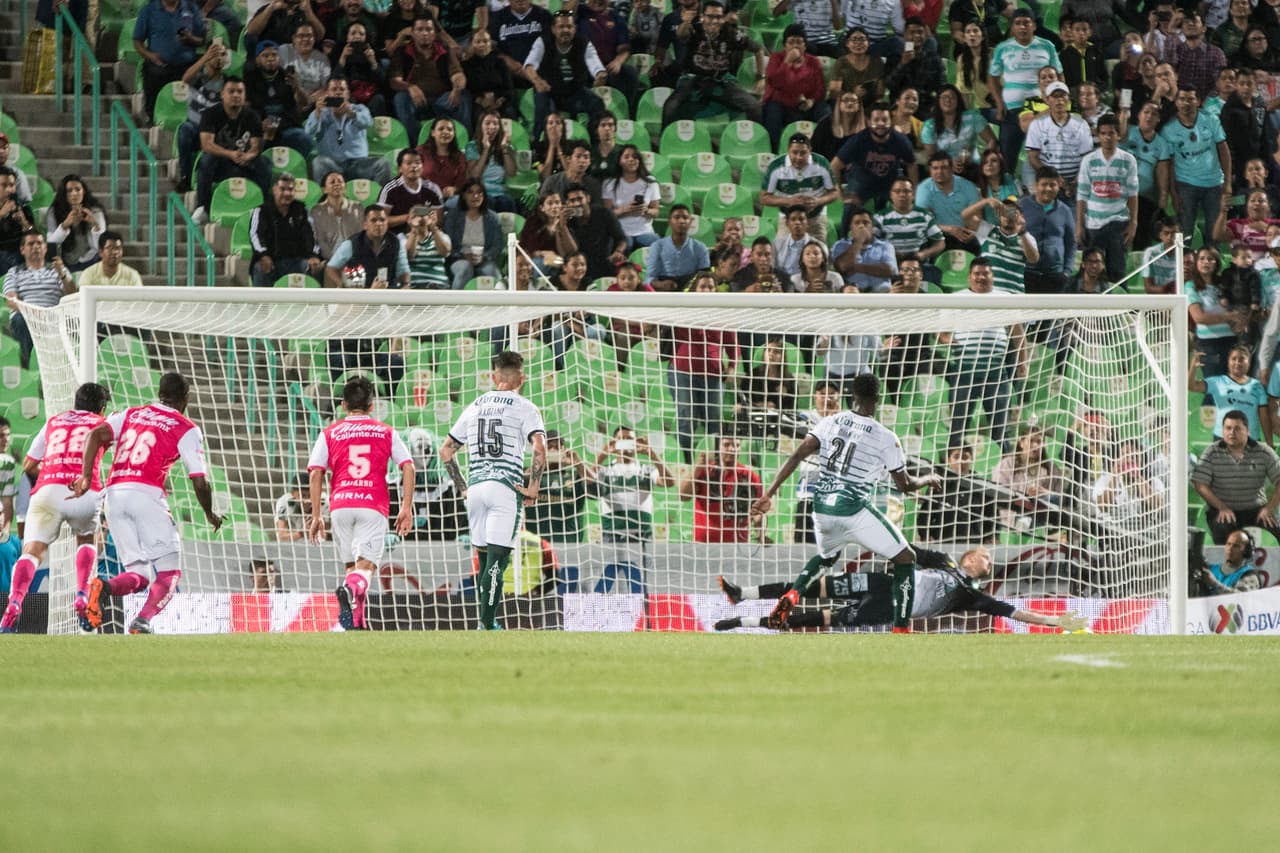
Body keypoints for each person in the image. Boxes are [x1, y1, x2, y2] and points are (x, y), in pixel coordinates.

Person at [747, 373, 942, 631]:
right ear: (878, 398)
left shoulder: (830, 422)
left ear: (853, 396)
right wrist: (927, 478)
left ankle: (791, 595)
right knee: (906, 558)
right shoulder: (886, 437)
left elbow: (797, 455)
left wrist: (768, 494)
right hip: (853, 510)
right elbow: (904, 485)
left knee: (827, 557)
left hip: (821, 509)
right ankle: (902, 627)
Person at [76, 373, 222, 635]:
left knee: (140, 574)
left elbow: (95, 434)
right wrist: (210, 513)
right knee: (170, 572)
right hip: (146, 493)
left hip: (114, 495)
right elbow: (199, 481)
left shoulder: (132, 413)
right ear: (185, 398)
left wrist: (86, 475)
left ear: (160, 393)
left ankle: (103, 586)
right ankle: (142, 621)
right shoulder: (186, 427)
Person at [714, 546, 1087, 632]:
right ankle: (741, 592)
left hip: (891, 609)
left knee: (825, 617)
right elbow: (904, 549)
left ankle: (744, 621)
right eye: (986, 557)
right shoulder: (943, 561)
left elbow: (1010, 610)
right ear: (969, 556)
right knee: (818, 586)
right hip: (885, 583)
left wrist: (1054, 620)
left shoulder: (971, 595)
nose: (989, 563)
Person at [439, 350, 547, 630]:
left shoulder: (474, 405)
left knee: (485, 558)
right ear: (521, 378)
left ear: (493, 376)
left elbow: (446, 450)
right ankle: (487, 624)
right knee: (498, 559)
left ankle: (487, 622)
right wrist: (533, 487)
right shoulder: (526, 407)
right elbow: (539, 448)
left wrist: (463, 488)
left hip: (475, 488)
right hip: (505, 487)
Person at [0, 383, 112, 634]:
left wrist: (54, 474)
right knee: (85, 538)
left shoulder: (54, 421)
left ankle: (15, 602)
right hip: (84, 490)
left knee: (32, 551)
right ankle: (82, 593)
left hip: (48, 490)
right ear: (102, 408)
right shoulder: (103, 424)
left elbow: (29, 464)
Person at [306, 376, 415, 631]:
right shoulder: (386, 431)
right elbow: (408, 467)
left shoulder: (329, 433)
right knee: (365, 568)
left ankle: (357, 622)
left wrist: (316, 515)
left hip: (340, 505)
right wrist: (406, 507)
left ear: (343, 405)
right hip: (372, 505)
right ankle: (349, 592)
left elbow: (315, 473)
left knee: (352, 568)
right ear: (371, 405)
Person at [939, 257, 1027, 454]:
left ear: (992, 276)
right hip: (964, 371)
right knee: (958, 427)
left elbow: (1018, 333)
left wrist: (1023, 362)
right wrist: (947, 340)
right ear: (969, 277)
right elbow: (941, 332)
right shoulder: (955, 299)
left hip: (996, 373)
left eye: (985, 273)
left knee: (1001, 429)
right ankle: (951, 474)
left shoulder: (1004, 298)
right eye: (977, 273)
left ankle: (1005, 473)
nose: (981, 277)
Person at [324, 205, 409, 385]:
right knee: (340, 359)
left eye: (382, 220)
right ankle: (338, 402)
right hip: (344, 349)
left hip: (370, 351)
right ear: (365, 224)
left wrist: (393, 352)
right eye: (374, 220)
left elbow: (393, 330)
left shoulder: (395, 244)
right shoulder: (340, 294)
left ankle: (392, 404)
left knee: (395, 362)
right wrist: (365, 293)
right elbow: (343, 317)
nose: (379, 224)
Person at [590, 426, 676, 582]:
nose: (625, 442)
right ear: (614, 443)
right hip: (612, 536)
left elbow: (670, 482)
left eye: (629, 439)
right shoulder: (604, 470)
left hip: (642, 536)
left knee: (644, 583)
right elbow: (587, 484)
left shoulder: (646, 469)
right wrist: (601, 456)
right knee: (609, 584)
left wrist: (652, 454)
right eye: (620, 439)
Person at [660, 0, 764, 127]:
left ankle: (755, 143)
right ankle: (665, 140)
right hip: (693, 78)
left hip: (721, 80)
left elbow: (758, 49)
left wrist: (760, 77)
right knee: (671, 106)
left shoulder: (730, 32)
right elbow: (681, 34)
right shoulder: (694, 28)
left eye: (719, 17)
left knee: (754, 106)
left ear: (723, 18)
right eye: (710, 16)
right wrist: (686, 22)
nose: (714, 21)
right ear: (702, 16)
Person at [990, 8, 1062, 174]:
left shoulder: (1047, 46)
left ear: (1034, 26)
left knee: (1043, 155)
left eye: (1026, 23)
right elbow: (992, 78)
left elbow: (1059, 75)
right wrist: (999, 103)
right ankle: (1007, 193)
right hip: (1011, 109)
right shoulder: (1002, 48)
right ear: (1012, 27)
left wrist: (1057, 100)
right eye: (1018, 23)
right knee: (1007, 156)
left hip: (1041, 109)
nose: (1022, 27)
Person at [193, 77, 272, 226]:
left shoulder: (252, 116)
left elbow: (257, 146)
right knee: (206, 159)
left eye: (240, 91)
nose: (236, 95)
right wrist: (230, 154)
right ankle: (203, 207)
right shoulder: (210, 114)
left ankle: (264, 208)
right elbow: (206, 144)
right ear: (222, 94)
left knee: (265, 162)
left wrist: (249, 155)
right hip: (220, 164)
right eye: (231, 91)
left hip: (242, 162)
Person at [1193, 409, 1280, 543]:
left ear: (1247, 431)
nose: (1231, 433)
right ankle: (1225, 563)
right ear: (1222, 431)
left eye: (1237, 428)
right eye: (1228, 428)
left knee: (1276, 528)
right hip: (1222, 510)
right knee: (1223, 530)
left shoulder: (1264, 451)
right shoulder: (1211, 452)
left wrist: (1270, 508)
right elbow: (1200, 483)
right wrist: (1221, 507)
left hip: (1256, 510)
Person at [1160, 84, 1231, 245]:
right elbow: (1169, 165)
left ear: (1198, 101)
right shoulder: (1168, 130)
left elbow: (1224, 151)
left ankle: (1212, 266)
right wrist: (1173, 193)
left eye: (1191, 99)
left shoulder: (1211, 120)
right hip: (1186, 184)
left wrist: (1227, 184)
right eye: (1182, 99)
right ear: (1176, 102)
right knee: (1185, 233)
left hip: (1214, 183)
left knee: (1214, 233)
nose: (1186, 103)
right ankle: (1184, 267)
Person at [524, 11, 607, 142]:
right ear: (553, 29)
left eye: (569, 27)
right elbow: (529, 66)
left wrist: (600, 74)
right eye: (561, 27)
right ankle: (538, 144)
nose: (565, 30)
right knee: (543, 106)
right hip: (549, 91)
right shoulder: (542, 42)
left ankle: (594, 142)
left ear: (575, 29)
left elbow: (595, 63)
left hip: (575, 92)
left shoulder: (583, 43)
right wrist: (537, 81)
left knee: (597, 103)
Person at [389, 16, 471, 147]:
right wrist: (410, 87)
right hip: (417, 102)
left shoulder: (444, 49)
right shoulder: (402, 51)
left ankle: (467, 147)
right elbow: (394, 81)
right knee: (400, 99)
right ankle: (417, 146)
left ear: (434, 34)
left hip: (441, 101)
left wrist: (457, 88)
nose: (425, 33)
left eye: (429, 29)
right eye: (420, 29)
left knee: (463, 96)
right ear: (413, 33)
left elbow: (457, 74)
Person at [4, 231, 76, 370]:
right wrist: (34, 313)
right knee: (19, 320)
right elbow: (12, 301)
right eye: (31, 244)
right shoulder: (14, 272)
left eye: (39, 243)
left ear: (45, 248)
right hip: (27, 317)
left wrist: (62, 274)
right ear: (22, 249)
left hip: (54, 316)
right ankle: (27, 367)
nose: (36, 246)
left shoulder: (58, 269)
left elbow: (72, 295)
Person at [305, 77, 392, 186]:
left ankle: (381, 201)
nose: (338, 93)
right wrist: (318, 113)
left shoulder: (359, 109)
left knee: (383, 164)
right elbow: (308, 133)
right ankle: (325, 201)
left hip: (359, 164)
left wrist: (350, 113)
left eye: (342, 89)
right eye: (334, 89)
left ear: (348, 94)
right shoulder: (319, 113)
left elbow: (368, 122)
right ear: (327, 94)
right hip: (333, 165)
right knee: (318, 162)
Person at [831, 102, 917, 212]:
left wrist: (914, 192)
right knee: (850, 208)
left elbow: (912, 165)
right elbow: (834, 166)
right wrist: (842, 196)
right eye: (876, 120)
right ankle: (846, 229)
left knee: (906, 204)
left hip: (890, 180)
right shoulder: (858, 140)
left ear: (891, 122)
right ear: (868, 122)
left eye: (885, 120)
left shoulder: (901, 140)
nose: (880, 123)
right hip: (861, 179)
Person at [679, 434, 762, 543]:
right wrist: (696, 469)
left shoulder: (750, 476)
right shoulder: (705, 471)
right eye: (726, 445)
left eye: (736, 445)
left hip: (737, 546)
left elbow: (758, 511)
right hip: (703, 545)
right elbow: (683, 496)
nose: (732, 449)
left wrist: (760, 530)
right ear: (718, 447)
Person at [759, 133, 839, 242]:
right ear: (788, 150)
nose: (798, 157)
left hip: (815, 217)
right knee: (782, 252)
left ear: (810, 150)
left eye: (803, 153)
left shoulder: (821, 164)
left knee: (818, 253)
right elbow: (764, 197)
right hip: (788, 218)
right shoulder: (776, 166)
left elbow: (834, 193)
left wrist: (818, 201)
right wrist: (789, 201)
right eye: (795, 152)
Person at [133, 0, 207, 118]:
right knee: (152, 72)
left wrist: (191, 38)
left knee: (200, 73)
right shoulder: (149, 10)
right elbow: (137, 41)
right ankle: (153, 116)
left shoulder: (191, 8)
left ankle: (196, 118)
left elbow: (203, 40)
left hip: (187, 66)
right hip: (159, 65)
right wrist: (150, 55)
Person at [917, 442, 1002, 545]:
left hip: (974, 545)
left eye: (965, 457)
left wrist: (991, 537)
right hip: (942, 543)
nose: (961, 461)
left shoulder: (982, 487)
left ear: (972, 459)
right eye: (956, 457)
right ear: (949, 460)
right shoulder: (939, 484)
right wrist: (925, 535)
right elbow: (924, 515)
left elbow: (993, 518)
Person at [250, 174, 324, 288]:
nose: (287, 193)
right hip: (271, 261)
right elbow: (255, 235)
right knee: (261, 267)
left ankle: (315, 304)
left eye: (290, 189)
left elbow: (312, 235)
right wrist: (263, 255)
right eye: (282, 189)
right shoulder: (261, 210)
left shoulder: (302, 209)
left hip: (297, 262)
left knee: (315, 267)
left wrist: (313, 256)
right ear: (274, 189)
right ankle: (262, 304)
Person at [762, 25, 828, 150]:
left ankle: (822, 150)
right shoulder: (776, 58)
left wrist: (812, 100)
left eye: (799, 42)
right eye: (791, 42)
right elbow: (775, 81)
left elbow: (820, 89)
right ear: (785, 45)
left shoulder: (813, 61)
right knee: (772, 110)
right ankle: (774, 150)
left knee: (824, 111)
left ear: (805, 45)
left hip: (805, 105)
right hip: (782, 105)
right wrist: (787, 61)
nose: (795, 46)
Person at [244, 40, 312, 159]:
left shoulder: (287, 77)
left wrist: (297, 87)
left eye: (274, 55)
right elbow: (245, 109)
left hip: (285, 128)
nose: (270, 59)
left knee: (303, 138)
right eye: (265, 56)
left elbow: (305, 103)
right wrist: (259, 125)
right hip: (261, 129)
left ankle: (296, 169)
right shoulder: (250, 78)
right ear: (257, 60)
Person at [1024, 81, 1094, 195]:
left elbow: (1086, 158)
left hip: (1075, 181)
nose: (1059, 100)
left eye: (1063, 95)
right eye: (1055, 96)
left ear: (1068, 99)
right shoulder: (1037, 124)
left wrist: (1076, 182)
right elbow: (1033, 157)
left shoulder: (1081, 124)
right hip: (1047, 181)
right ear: (1047, 100)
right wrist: (1055, 179)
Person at [1191, 346, 1270, 442]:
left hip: (1250, 440)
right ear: (1228, 362)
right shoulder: (1217, 382)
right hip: (1222, 439)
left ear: (1248, 362)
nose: (1237, 362)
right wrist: (1193, 366)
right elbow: (1192, 386)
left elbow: (1264, 417)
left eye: (1242, 359)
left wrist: (1270, 444)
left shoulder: (1257, 386)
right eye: (1234, 359)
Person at [1121, 101, 1172, 251]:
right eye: (1146, 112)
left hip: (1144, 196)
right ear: (1138, 115)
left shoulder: (1162, 143)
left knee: (1142, 236)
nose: (1149, 116)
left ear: (1158, 120)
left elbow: (1162, 171)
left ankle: (1140, 267)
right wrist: (1123, 114)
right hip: (1121, 194)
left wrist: (1163, 195)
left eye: (1154, 114)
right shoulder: (1127, 131)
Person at [525, 430, 589, 543]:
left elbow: (596, 489)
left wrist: (578, 463)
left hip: (569, 543)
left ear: (564, 450)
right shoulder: (530, 474)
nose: (553, 450)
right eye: (549, 447)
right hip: (535, 544)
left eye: (557, 447)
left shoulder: (576, 476)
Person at [921, 85, 996, 181]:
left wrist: (985, 161)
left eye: (952, 97)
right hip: (944, 168)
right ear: (938, 101)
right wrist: (949, 163)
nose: (948, 100)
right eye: (944, 97)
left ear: (958, 101)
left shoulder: (972, 117)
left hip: (973, 166)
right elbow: (932, 156)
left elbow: (992, 140)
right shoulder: (930, 126)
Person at [914, 151, 981, 254]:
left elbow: (976, 217)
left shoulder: (968, 187)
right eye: (935, 168)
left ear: (951, 169)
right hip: (937, 235)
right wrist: (949, 229)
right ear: (930, 170)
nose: (939, 172)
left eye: (944, 167)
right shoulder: (924, 189)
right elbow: (923, 222)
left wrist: (973, 231)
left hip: (964, 234)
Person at [443, 178, 503, 290]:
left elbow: (497, 245)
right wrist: (463, 255)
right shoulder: (453, 216)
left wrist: (483, 257)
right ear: (464, 195)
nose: (475, 196)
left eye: (479, 192)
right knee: (465, 268)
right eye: (470, 192)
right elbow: (447, 244)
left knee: (493, 273)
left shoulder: (493, 218)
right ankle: (454, 304)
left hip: (484, 259)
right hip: (457, 259)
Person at [564, 184, 627, 283]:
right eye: (572, 201)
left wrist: (618, 252)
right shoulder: (567, 222)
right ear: (567, 203)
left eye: (580, 198)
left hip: (606, 263)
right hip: (581, 268)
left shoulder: (604, 213)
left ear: (588, 198)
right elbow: (571, 251)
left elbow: (621, 238)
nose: (577, 203)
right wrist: (562, 225)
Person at [602, 144, 660, 250]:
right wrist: (625, 210)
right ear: (619, 161)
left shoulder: (650, 182)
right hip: (621, 231)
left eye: (635, 157)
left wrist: (646, 210)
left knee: (657, 244)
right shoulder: (610, 183)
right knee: (624, 244)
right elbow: (607, 215)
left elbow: (656, 212)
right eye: (627, 157)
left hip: (645, 231)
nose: (631, 160)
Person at [45, 175, 107, 274]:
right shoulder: (54, 212)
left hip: (91, 259)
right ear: (64, 194)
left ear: (84, 191)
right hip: (65, 261)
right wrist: (65, 225)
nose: (74, 194)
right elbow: (51, 243)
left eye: (78, 189)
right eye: (69, 191)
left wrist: (94, 224)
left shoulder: (95, 211)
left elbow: (101, 246)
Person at [885, 17, 946, 116]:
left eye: (920, 32)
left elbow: (942, 87)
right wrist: (902, 64)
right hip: (899, 106)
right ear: (905, 35)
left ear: (925, 35)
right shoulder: (894, 57)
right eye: (912, 32)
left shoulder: (934, 59)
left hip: (925, 107)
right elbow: (889, 85)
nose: (917, 35)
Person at [377, 148, 444, 234]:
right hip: (397, 236)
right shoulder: (389, 189)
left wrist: (428, 220)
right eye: (408, 163)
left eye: (417, 163)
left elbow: (439, 221)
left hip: (425, 234)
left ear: (423, 167)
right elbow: (381, 220)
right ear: (400, 168)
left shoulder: (433, 189)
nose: (414, 166)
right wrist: (409, 217)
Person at [831, 207, 896, 293]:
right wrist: (859, 241)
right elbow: (842, 267)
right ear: (851, 227)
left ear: (872, 226)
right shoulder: (840, 245)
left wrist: (856, 267)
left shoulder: (885, 246)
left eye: (866, 223)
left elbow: (890, 271)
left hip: (882, 292)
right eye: (857, 223)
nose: (861, 226)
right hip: (853, 291)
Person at [465, 109, 518, 213]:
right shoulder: (472, 146)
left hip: (500, 193)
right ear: (481, 126)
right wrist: (486, 149)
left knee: (508, 202)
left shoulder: (506, 146)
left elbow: (512, 172)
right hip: (481, 192)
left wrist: (504, 149)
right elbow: (474, 176)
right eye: (487, 123)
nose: (492, 127)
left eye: (495, 124)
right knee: (488, 202)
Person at [646, 204, 708, 292]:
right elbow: (649, 278)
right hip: (664, 291)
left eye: (685, 218)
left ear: (690, 222)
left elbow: (704, 277)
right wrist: (661, 284)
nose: (681, 221)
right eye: (676, 217)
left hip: (691, 291)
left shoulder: (701, 248)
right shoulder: (657, 246)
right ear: (669, 222)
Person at [333, 22, 389, 117]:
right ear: (347, 37)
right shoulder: (339, 52)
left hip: (370, 96)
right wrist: (343, 58)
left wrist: (373, 62)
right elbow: (333, 80)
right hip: (349, 96)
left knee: (379, 99)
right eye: (353, 33)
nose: (357, 36)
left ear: (366, 37)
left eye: (361, 34)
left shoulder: (373, 52)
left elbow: (384, 83)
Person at [1167, 12, 1227, 100]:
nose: (1190, 24)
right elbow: (1169, 72)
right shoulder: (1176, 50)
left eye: (1194, 21)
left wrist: (1205, 103)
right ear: (1182, 29)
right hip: (1179, 103)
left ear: (1204, 28)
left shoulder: (1216, 53)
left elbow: (1219, 84)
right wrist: (1171, 28)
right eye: (1186, 22)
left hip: (1208, 105)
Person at [518, 191, 578, 272]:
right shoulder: (533, 222)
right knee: (541, 263)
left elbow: (571, 252)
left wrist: (562, 227)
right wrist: (543, 253)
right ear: (542, 208)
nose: (554, 206)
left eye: (557, 203)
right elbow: (527, 248)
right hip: (535, 260)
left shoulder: (568, 221)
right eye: (550, 203)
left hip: (559, 261)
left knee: (564, 264)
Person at [310, 172, 365, 262]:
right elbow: (320, 242)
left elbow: (361, 237)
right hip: (328, 260)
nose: (337, 184)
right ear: (324, 189)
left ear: (345, 187)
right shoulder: (317, 211)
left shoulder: (357, 208)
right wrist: (335, 260)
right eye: (332, 182)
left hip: (354, 258)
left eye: (340, 181)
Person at [1196, 528, 1264, 594]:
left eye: (1236, 546)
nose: (1230, 548)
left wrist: (1214, 583)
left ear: (1246, 551)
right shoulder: (1211, 569)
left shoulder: (1250, 575)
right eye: (1228, 544)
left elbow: (1242, 598)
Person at [416, 117, 468, 203]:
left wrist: (454, 189)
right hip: (423, 197)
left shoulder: (460, 156)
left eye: (450, 129)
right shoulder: (420, 152)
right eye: (441, 129)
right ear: (433, 133)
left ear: (454, 134)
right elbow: (409, 176)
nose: (446, 132)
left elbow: (461, 184)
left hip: (448, 200)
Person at [277, 23, 329, 108]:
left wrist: (309, 100)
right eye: (301, 36)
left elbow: (325, 88)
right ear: (294, 38)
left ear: (314, 39)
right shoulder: (283, 51)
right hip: (285, 100)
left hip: (313, 103)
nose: (305, 39)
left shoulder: (322, 59)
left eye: (309, 36)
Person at [403, 204, 452, 289]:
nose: (420, 218)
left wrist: (433, 227)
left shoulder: (441, 236)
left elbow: (445, 252)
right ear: (408, 219)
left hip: (438, 285)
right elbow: (409, 255)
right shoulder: (402, 238)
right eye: (416, 215)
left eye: (423, 214)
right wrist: (414, 230)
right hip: (414, 286)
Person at [829, 28, 884, 102]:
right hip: (847, 102)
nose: (858, 43)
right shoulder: (841, 62)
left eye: (862, 39)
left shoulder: (877, 61)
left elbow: (880, 93)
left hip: (869, 102)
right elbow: (834, 93)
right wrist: (852, 93)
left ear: (868, 43)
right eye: (854, 39)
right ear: (847, 44)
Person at [810, 90, 865, 163]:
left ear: (859, 106)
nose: (849, 103)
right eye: (845, 100)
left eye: (853, 100)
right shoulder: (825, 124)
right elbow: (815, 151)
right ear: (838, 104)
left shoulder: (867, 126)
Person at [0, 167, 35, 275]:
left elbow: (34, 235)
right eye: (4, 185)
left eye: (12, 185)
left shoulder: (23, 208)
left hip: (20, 253)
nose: (9, 190)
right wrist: (1, 214)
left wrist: (24, 221)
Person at [77, 231, 144, 287]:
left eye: (118, 248)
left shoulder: (132, 275)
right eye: (110, 248)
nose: (115, 252)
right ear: (100, 252)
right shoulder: (88, 274)